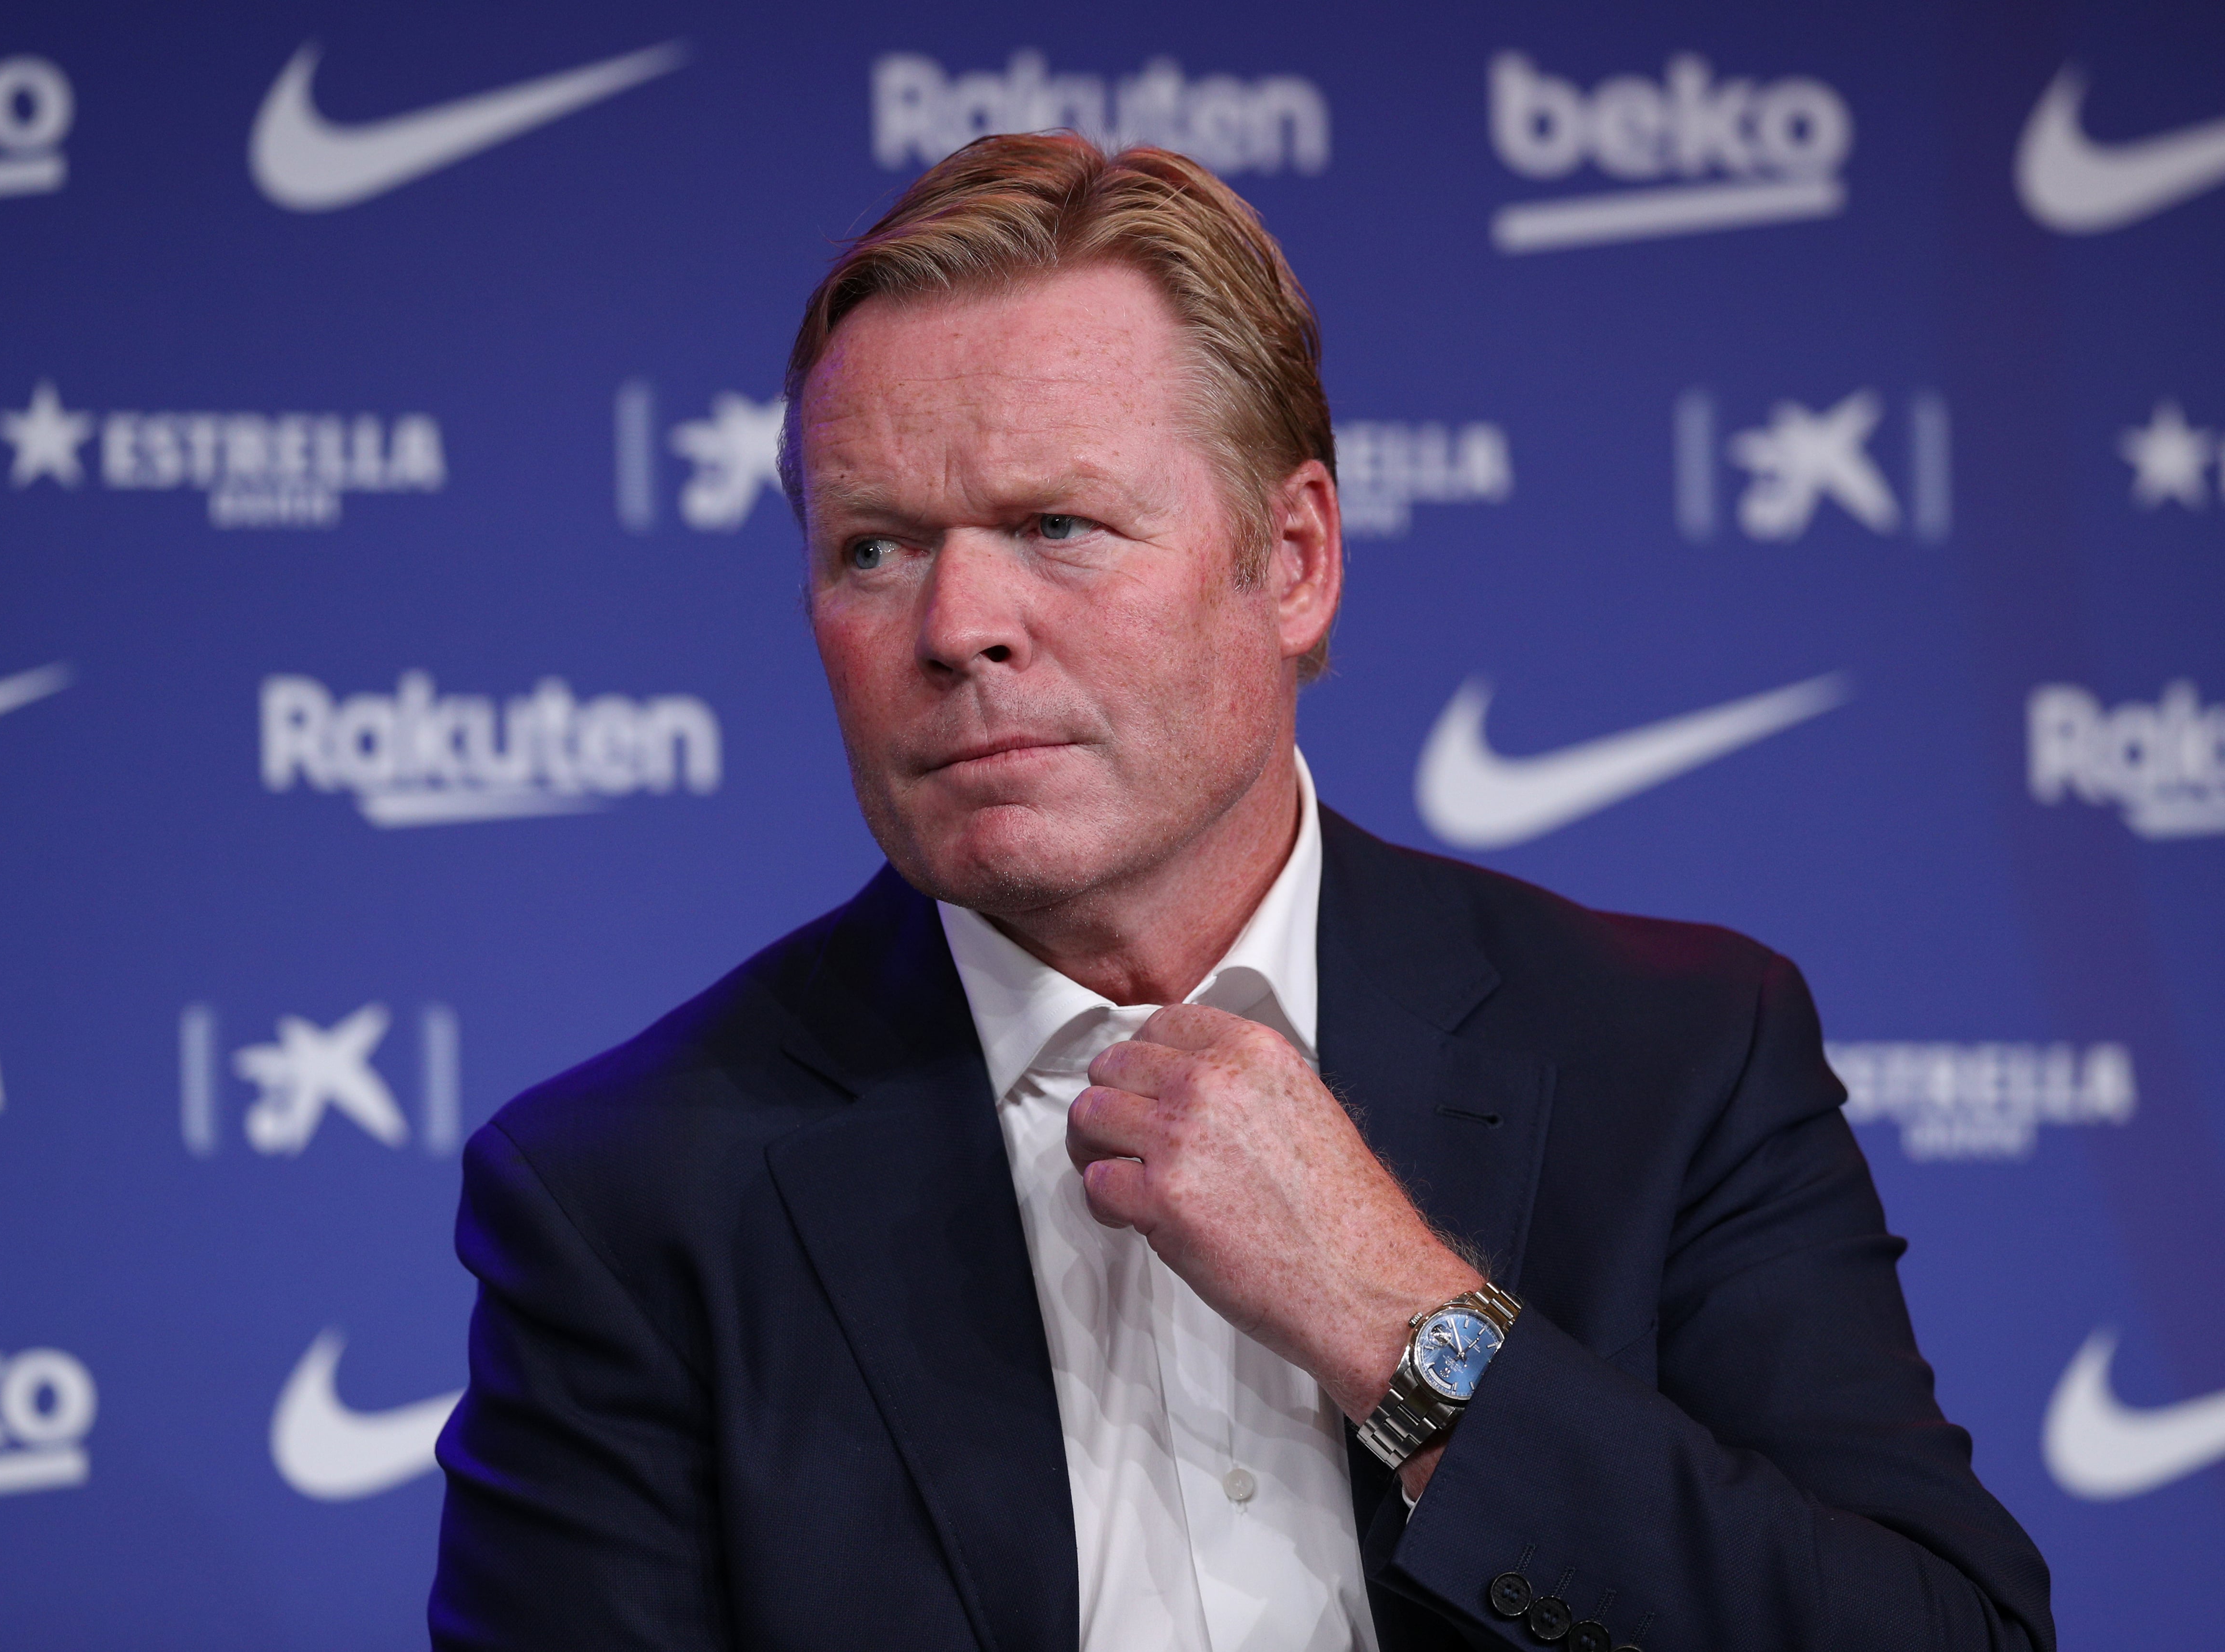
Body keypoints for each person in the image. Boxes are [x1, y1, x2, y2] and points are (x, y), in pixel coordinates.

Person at [429, 134, 2052, 1652]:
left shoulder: (1674, 1053)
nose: (953, 625)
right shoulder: (625, 1196)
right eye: (872, 548)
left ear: (1291, 561)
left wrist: (1408, 1328)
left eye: (1053, 523)